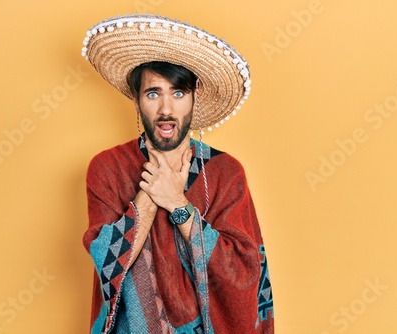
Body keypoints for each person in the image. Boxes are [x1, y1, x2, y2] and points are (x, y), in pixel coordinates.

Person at [81, 15, 274, 333]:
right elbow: (108, 262)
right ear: (137, 98)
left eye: (178, 93)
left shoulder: (225, 172)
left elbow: (243, 272)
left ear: (195, 95)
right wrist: (153, 188)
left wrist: (177, 202)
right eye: (153, 94)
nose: (166, 109)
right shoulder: (108, 167)